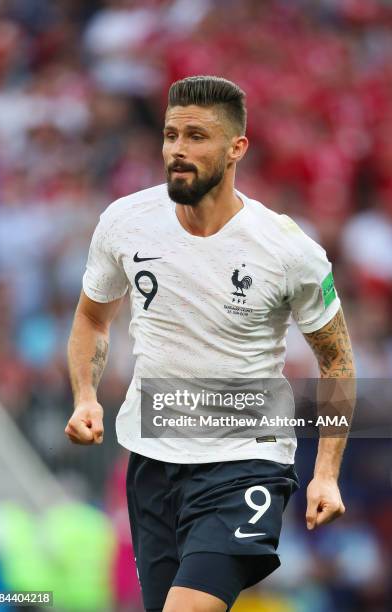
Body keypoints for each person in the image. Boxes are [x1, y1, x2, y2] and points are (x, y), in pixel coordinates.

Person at [65, 76, 355, 612]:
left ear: (236, 147)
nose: (178, 149)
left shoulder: (288, 250)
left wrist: (327, 473)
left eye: (197, 136)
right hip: (152, 456)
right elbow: (91, 318)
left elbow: (336, 360)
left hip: (247, 460)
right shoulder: (125, 223)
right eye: (171, 134)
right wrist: (86, 394)